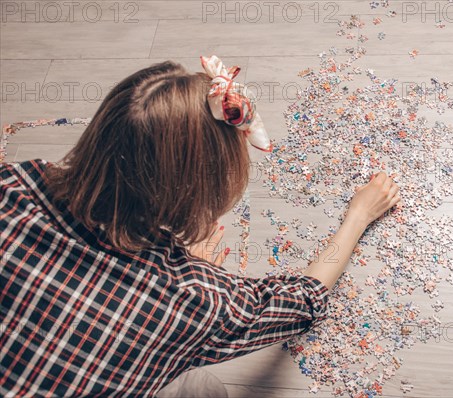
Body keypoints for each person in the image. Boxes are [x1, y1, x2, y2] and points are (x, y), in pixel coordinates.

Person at [0, 56, 401, 397]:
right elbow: (303, 301)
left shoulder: (12, 183)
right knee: (203, 388)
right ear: (201, 188)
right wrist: (358, 216)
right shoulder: (194, 301)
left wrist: (174, 264)